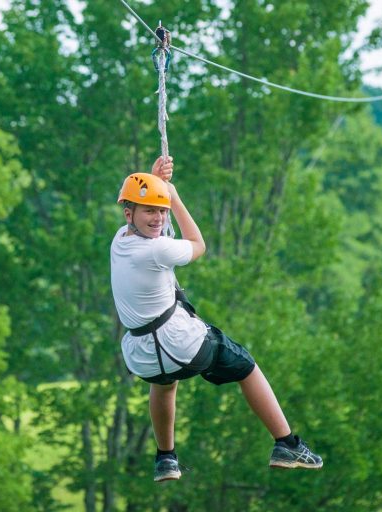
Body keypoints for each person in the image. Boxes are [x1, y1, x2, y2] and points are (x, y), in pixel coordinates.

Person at [110, 156, 323, 482]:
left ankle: (165, 458)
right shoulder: (158, 250)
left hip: (142, 356)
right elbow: (198, 244)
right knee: (245, 365)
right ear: (130, 214)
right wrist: (174, 197)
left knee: (164, 384)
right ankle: (287, 443)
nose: (159, 218)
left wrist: (156, 184)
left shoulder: (120, 241)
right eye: (150, 211)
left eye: (162, 210)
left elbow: (149, 218)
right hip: (178, 344)